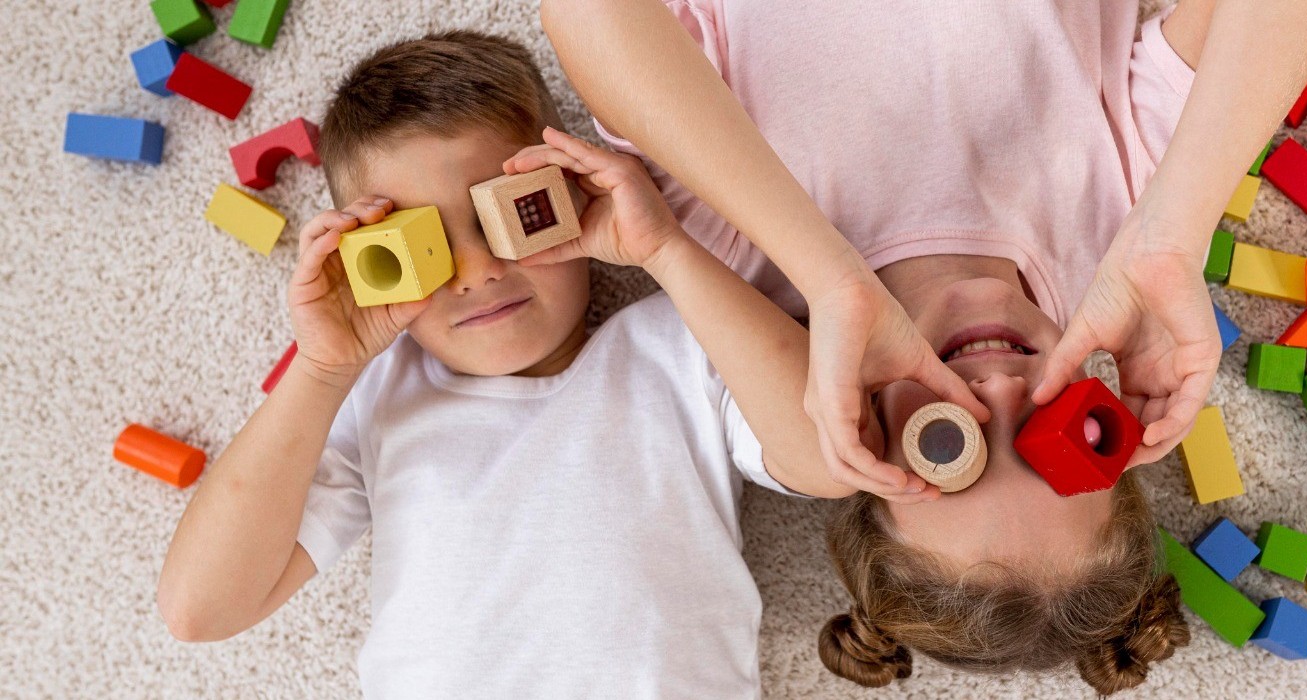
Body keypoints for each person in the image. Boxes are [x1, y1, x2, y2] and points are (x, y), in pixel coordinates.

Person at [538, 0, 1307, 692]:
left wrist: (830, 278)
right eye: (1052, 438)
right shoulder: (1123, 224)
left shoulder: (743, 235)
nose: (999, 390)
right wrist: (1173, 237)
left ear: (861, 435)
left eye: (947, 446)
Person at [157, 31, 851, 698]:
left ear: (577, 195)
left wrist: (665, 250)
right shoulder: (381, 393)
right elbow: (201, 609)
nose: (478, 271)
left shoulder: (677, 344)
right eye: (420, 245)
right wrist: (322, 370)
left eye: (509, 216)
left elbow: (828, 455)